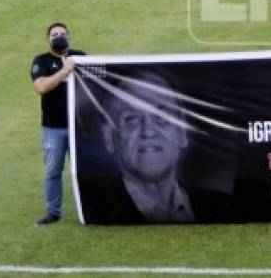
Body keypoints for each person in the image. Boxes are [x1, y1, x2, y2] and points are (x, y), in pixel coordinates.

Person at [97, 72, 196, 223]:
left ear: (182, 132)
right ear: (109, 137)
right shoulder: (96, 211)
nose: (148, 131)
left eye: (161, 117)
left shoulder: (220, 206)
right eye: (131, 119)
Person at [30, 22, 87, 225]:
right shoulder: (41, 61)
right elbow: (42, 87)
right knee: (53, 171)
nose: (59, 37)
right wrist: (66, 70)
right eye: (55, 35)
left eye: (63, 34)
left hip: (80, 127)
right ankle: (53, 212)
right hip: (53, 128)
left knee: (84, 169)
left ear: (69, 37)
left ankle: (90, 208)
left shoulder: (81, 57)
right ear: (48, 40)